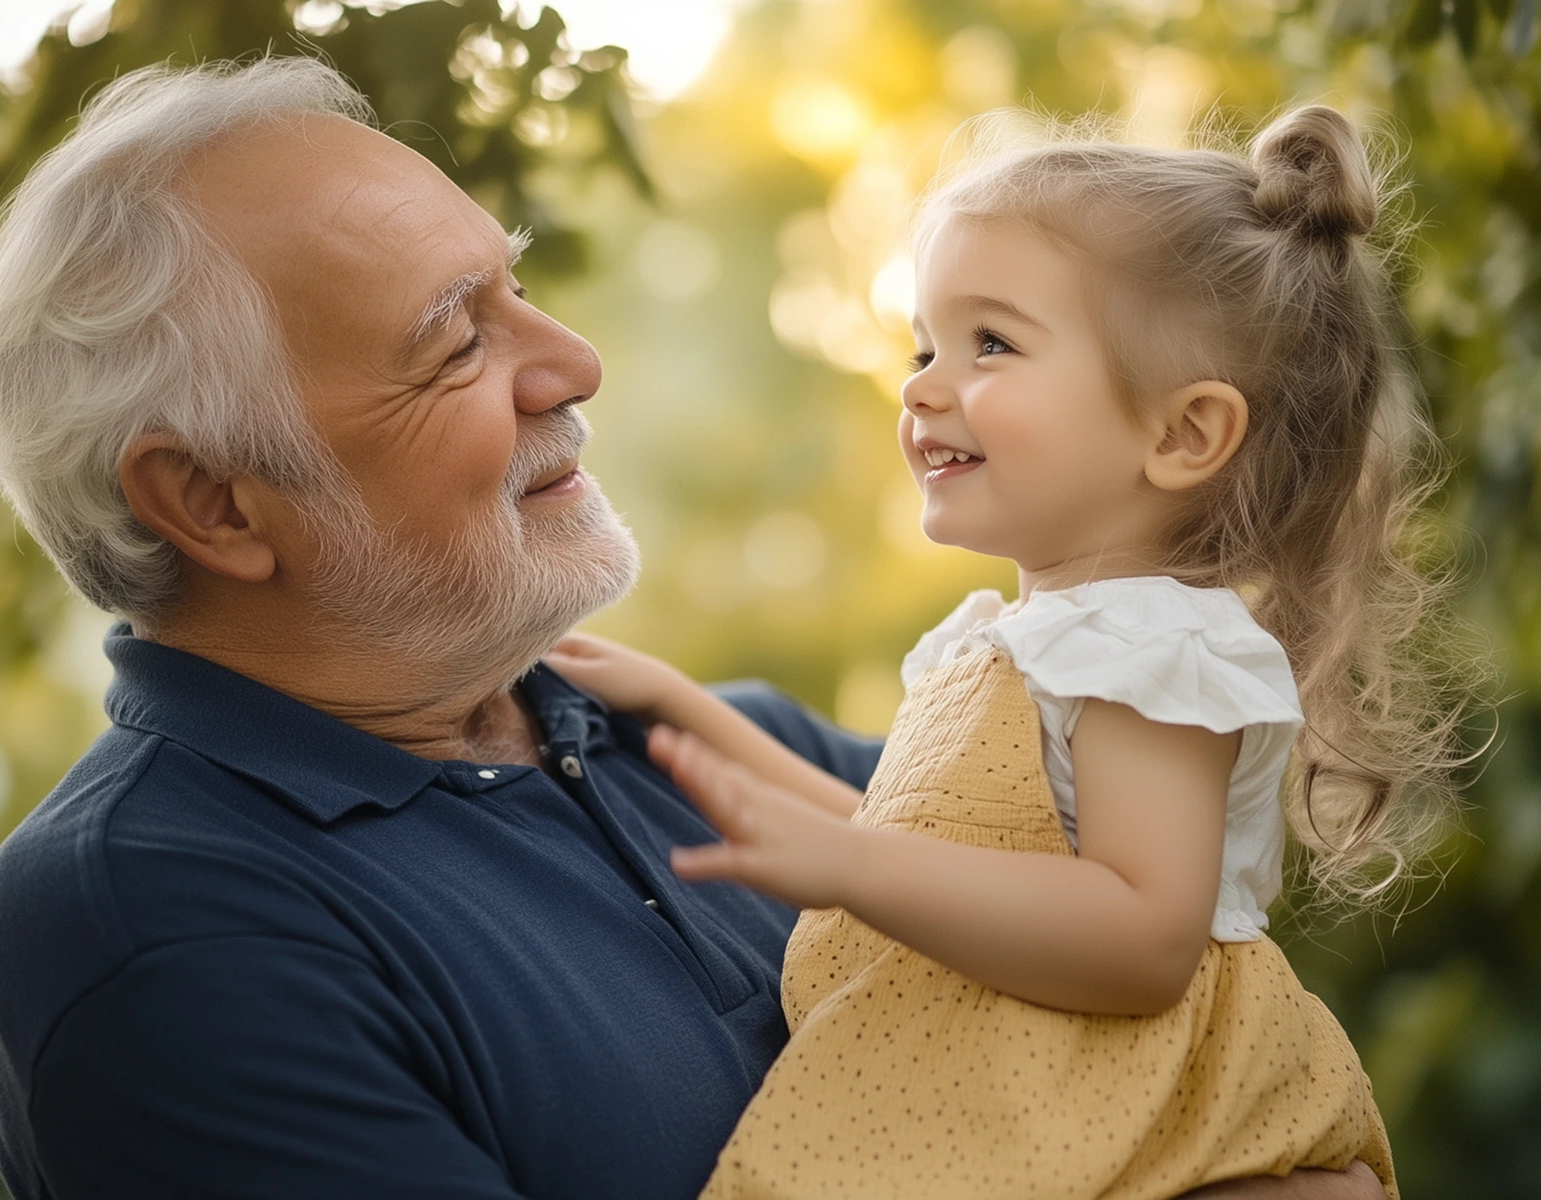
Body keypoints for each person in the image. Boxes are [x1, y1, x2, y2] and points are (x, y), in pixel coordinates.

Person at [0, 58, 1387, 1200]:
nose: (572, 360)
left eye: (517, 283)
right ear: (214, 504)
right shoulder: (156, 929)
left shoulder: (727, 739)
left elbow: (1159, 968)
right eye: (457, 339)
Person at [548, 105, 1470, 1199]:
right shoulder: (1004, 643)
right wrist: (686, 711)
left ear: (1180, 435)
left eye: (989, 344)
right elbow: (908, 847)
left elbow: (1140, 938)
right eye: (922, 345)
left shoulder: (1152, 650)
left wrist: (843, 865)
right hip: (1010, 1102)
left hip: (1119, 1121)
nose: (922, 385)